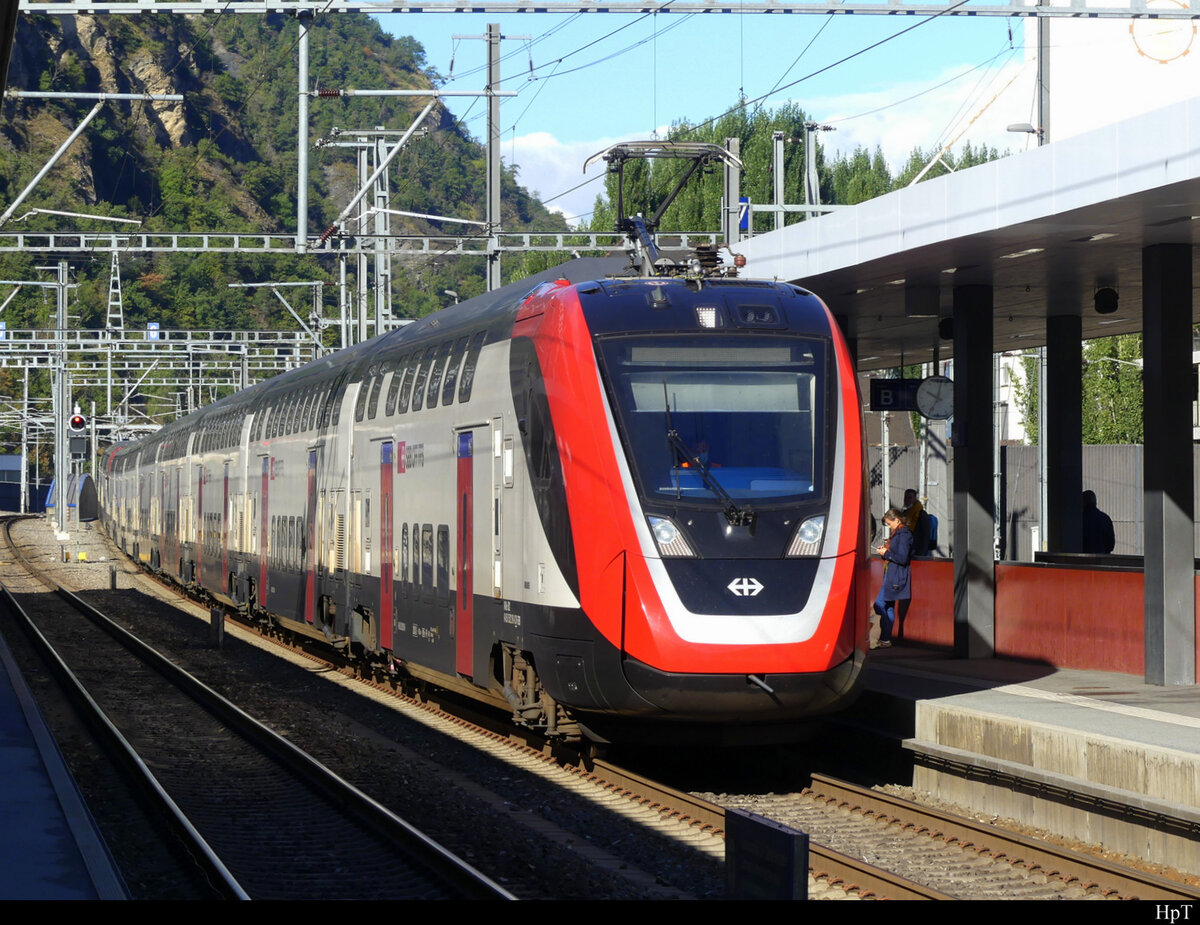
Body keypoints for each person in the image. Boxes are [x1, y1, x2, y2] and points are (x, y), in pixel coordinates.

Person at [872, 507, 912, 648]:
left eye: (890, 523)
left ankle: (881, 637)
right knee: (888, 606)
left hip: (895, 575)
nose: (889, 526)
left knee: (879, 604)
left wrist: (886, 554)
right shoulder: (898, 533)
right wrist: (885, 551)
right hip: (891, 573)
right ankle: (885, 639)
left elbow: (902, 557)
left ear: (897, 520)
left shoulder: (904, 534)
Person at [1081, 490, 1115, 554]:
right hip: (1102, 559)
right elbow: (1111, 545)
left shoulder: (1079, 520)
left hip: (1082, 560)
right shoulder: (1105, 518)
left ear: (1083, 502)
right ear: (1095, 502)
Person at [901, 488, 932, 556]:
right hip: (905, 550)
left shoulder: (921, 514)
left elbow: (925, 535)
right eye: (905, 497)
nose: (907, 500)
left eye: (910, 498)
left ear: (915, 499)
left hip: (917, 551)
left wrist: (921, 553)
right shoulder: (904, 513)